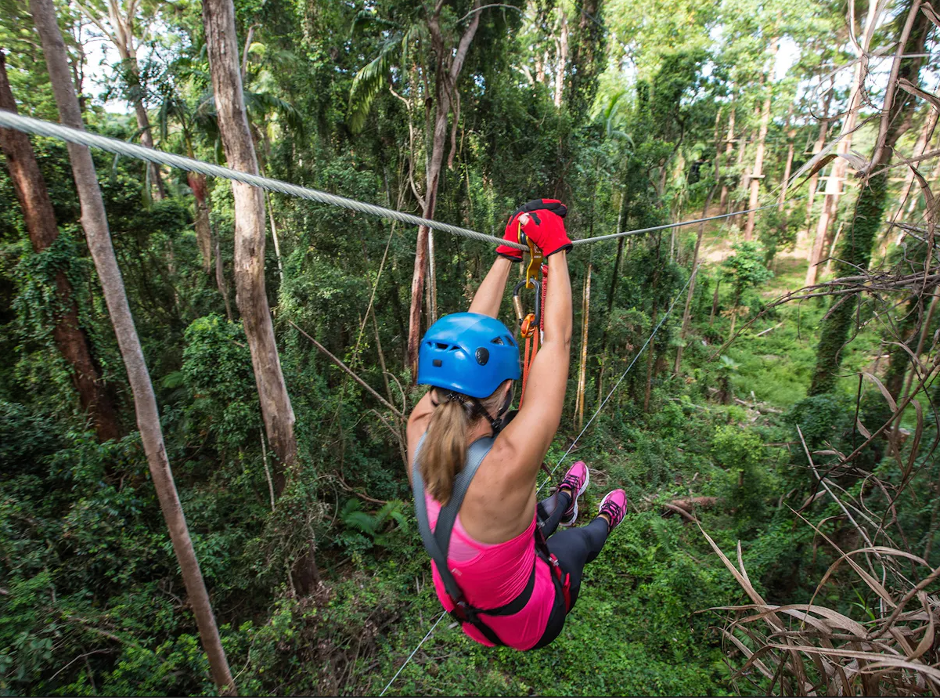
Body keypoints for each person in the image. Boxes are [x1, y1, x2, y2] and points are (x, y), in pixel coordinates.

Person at [406, 199, 628, 650]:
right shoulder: (505, 466)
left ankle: (565, 498)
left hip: (461, 605)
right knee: (577, 545)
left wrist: (509, 253)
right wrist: (555, 249)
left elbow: (474, 329)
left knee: (536, 523)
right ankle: (603, 516)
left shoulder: (419, 424)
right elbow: (557, 344)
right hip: (528, 617)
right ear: (507, 390)